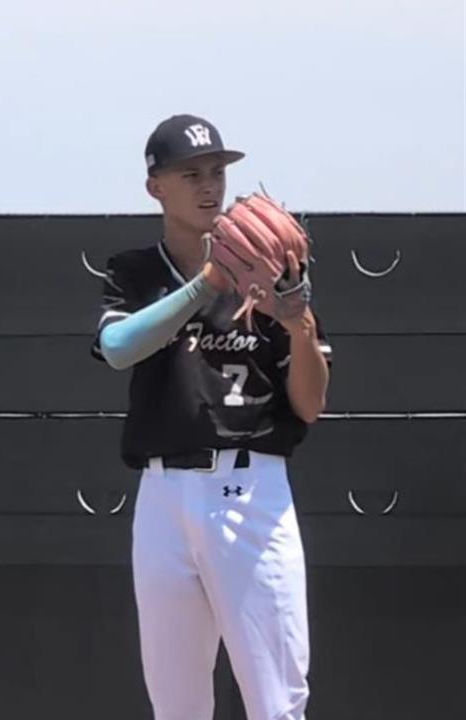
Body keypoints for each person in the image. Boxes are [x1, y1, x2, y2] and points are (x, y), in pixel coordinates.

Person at [91, 114, 332, 720]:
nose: (209, 186)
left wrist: (297, 323)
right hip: (163, 496)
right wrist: (207, 283)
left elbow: (309, 405)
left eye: (218, 172)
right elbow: (117, 348)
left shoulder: (271, 268)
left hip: (250, 490)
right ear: (156, 188)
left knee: (277, 705)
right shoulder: (136, 270)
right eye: (191, 174)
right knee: (176, 706)